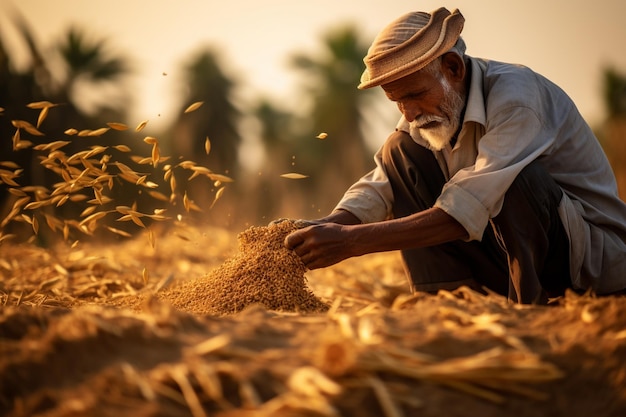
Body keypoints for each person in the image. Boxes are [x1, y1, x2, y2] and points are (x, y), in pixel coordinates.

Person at [281, 7, 626, 304]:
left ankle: (531, 310)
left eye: (415, 94)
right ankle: (448, 306)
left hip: (583, 262)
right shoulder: (432, 111)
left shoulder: (517, 98)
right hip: (504, 251)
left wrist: (351, 242)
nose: (409, 112)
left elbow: (466, 208)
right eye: (398, 101)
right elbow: (381, 184)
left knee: (516, 180)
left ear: (453, 68)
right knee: (399, 150)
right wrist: (322, 226)